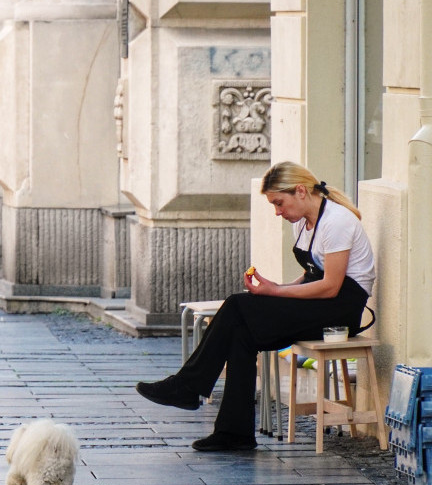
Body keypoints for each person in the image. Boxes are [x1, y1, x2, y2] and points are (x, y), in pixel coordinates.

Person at [135, 161, 377, 452]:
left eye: (279, 203)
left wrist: (276, 292)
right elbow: (311, 275)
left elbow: (331, 286)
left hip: (341, 312)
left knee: (237, 304)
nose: (277, 212)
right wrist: (274, 289)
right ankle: (233, 433)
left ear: (301, 191)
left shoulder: (337, 221)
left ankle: (187, 386)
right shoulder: (302, 223)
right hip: (320, 303)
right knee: (242, 333)